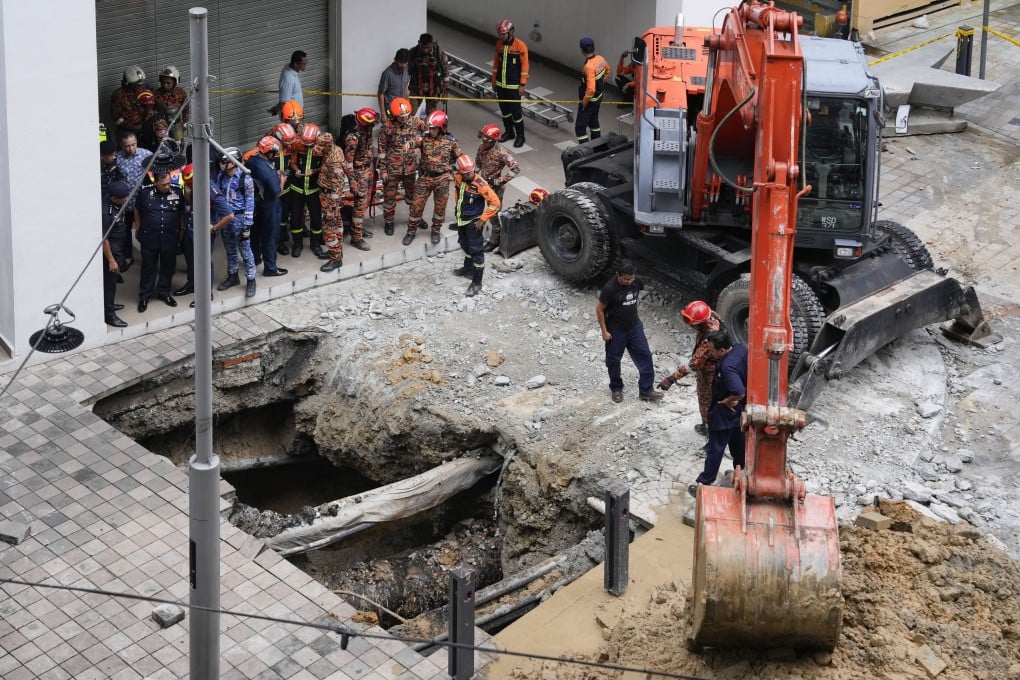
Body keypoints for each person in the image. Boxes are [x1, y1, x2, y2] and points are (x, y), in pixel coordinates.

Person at [595, 259, 663, 403]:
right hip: (616, 330)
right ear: (617, 275)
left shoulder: (636, 281)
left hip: (634, 327)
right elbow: (599, 309)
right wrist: (604, 331)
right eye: (626, 279)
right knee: (613, 360)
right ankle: (616, 388)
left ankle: (646, 390)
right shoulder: (609, 289)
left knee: (645, 356)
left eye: (631, 278)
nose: (629, 281)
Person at [689, 330, 748, 495]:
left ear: (722, 350)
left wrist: (728, 400)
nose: (710, 353)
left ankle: (704, 483)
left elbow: (738, 390)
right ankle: (742, 475)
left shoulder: (727, 367)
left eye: (713, 350)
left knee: (714, 450)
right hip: (741, 411)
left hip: (725, 413)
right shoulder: (740, 349)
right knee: (739, 445)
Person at [658, 300, 724, 435]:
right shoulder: (713, 317)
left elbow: (694, 364)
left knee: (706, 400)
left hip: (709, 372)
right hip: (719, 367)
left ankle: (709, 428)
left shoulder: (708, 341)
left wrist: (671, 379)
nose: (691, 326)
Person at [405, 109, 462, 246]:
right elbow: (412, 142)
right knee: (416, 207)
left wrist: (452, 172)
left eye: (434, 129)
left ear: (442, 128)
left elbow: (460, 159)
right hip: (424, 178)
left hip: (442, 180)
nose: (431, 131)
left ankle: (436, 231)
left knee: (440, 208)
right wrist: (408, 144)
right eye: (430, 128)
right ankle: (411, 231)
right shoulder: (424, 138)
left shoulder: (451, 142)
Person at [134, 170, 185, 312]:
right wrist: (138, 228)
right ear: (155, 183)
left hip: (170, 237)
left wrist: (181, 229)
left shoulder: (177, 191)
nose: (167, 186)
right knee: (148, 267)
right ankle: (145, 296)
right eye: (163, 185)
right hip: (150, 237)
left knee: (168, 266)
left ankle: (164, 292)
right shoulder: (145, 193)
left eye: (169, 183)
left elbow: (181, 211)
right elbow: (137, 210)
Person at [451, 155, 500, 297]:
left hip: (474, 222)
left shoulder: (480, 184)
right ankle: (468, 269)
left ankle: (477, 282)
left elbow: (496, 204)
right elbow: (457, 193)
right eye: (465, 173)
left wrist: (483, 219)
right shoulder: (459, 178)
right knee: (464, 244)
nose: (469, 175)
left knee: (476, 250)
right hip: (462, 219)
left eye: (470, 172)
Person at [377, 97, 425, 237]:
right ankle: (389, 222)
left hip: (410, 168)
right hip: (392, 169)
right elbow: (381, 150)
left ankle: (416, 219)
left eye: (406, 115)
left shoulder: (415, 122)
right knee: (389, 198)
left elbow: (429, 131)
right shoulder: (388, 127)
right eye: (401, 116)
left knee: (413, 196)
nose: (404, 118)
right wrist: (383, 170)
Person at [214, 147, 258, 298]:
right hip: (226, 219)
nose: (221, 165)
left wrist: (247, 225)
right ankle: (232, 275)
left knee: (245, 250)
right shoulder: (221, 176)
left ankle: (251, 279)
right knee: (230, 249)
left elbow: (250, 202)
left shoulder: (245, 178)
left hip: (240, 219)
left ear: (232, 163)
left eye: (224, 162)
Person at [475, 123, 520, 253]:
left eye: (485, 139)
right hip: (481, 184)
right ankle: (476, 231)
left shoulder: (502, 153)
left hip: (495, 188)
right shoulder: (481, 148)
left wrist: (499, 180)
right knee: (476, 208)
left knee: (493, 215)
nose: (483, 142)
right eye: (482, 138)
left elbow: (515, 168)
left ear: (492, 141)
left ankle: (494, 240)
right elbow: (478, 164)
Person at [247, 136, 289, 276]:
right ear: (269, 152)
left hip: (256, 204)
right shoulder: (267, 170)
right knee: (270, 236)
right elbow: (277, 192)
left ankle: (255, 258)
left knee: (255, 233)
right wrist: (282, 180)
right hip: (270, 206)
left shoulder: (251, 161)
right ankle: (270, 268)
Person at [288, 123, 328, 259]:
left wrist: (315, 171)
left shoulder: (323, 148)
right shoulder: (297, 144)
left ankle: (315, 244)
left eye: (310, 144)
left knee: (316, 218)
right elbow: (292, 161)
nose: (307, 147)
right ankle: (297, 244)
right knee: (295, 218)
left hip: (314, 189)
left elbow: (325, 166)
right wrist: (296, 170)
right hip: (297, 188)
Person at [343, 107, 379, 251]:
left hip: (368, 170)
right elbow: (348, 163)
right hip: (359, 174)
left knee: (365, 204)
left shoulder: (367, 130)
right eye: (370, 124)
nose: (372, 126)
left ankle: (357, 228)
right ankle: (356, 238)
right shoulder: (353, 138)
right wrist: (353, 182)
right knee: (359, 205)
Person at [314, 132, 349, 272]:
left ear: (327, 146)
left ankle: (335, 259)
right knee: (338, 223)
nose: (317, 148)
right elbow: (327, 170)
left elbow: (337, 187)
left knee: (328, 228)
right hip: (327, 195)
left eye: (320, 146)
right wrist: (316, 171)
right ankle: (337, 250)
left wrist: (331, 209)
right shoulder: (334, 150)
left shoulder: (335, 161)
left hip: (330, 199)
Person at [492, 19, 529, 148]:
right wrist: (494, 81)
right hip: (501, 85)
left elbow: (525, 66)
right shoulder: (499, 45)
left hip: (514, 87)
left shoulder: (520, 46)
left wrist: (522, 84)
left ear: (510, 32)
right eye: (500, 34)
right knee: (505, 111)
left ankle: (520, 136)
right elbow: (496, 64)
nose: (501, 37)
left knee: (516, 113)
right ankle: (509, 132)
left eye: (504, 34)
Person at [102, 181, 132, 327]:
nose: (126, 199)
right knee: (109, 284)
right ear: (114, 198)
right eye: (123, 197)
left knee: (112, 284)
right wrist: (111, 260)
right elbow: (104, 239)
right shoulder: (107, 213)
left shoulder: (117, 205)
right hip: (110, 253)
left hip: (117, 249)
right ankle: (109, 315)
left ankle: (110, 304)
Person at [576, 37, 610, 143]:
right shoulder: (600, 59)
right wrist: (601, 82)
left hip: (589, 102)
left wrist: (584, 102)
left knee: (580, 128)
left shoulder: (589, 67)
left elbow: (590, 89)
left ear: (582, 50)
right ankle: (597, 146)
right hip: (598, 98)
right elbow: (608, 70)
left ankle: (587, 152)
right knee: (593, 123)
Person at [408, 33, 450, 115]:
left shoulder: (440, 54)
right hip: (416, 87)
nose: (425, 50)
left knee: (431, 114)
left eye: (428, 48)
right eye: (423, 47)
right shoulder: (412, 53)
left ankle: (429, 128)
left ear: (432, 44)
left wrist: (445, 92)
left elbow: (446, 74)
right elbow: (406, 72)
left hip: (433, 88)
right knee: (410, 112)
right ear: (419, 43)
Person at [110, 65, 149, 137]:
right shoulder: (118, 95)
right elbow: (117, 118)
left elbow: (150, 108)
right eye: (136, 85)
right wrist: (133, 127)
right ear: (128, 83)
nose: (140, 87)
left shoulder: (144, 91)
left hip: (144, 127)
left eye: (141, 84)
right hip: (126, 129)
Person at [154, 65, 188, 141]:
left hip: (176, 125)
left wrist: (185, 123)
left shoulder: (181, 93)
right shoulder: (155, 94)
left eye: (168, 83)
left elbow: (186, 109)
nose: (165, 85)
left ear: (175, 82)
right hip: (161, 126)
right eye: (163, 82)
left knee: (178, 146)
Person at [270, 51, 307, 116]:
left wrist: (276, 108)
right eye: (303, 64)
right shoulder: (288, 79)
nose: (306, 65)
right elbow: (284, 103)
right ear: (295, 64)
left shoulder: (289, 68)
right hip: (292, 117)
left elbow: (285, 97)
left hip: (296, 113)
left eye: (306, 62)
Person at [377, 49, 411, 120]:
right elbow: (380, 94)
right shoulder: (387, 74)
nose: (403, 65)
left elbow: (406, 89)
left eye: (405, 62)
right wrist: (383, 114)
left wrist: (408, 107)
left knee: (404, 129)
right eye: (401, 62)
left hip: (403, 110)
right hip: (390, 111)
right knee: (390, 127)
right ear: (396, 60)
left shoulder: (406, 70)